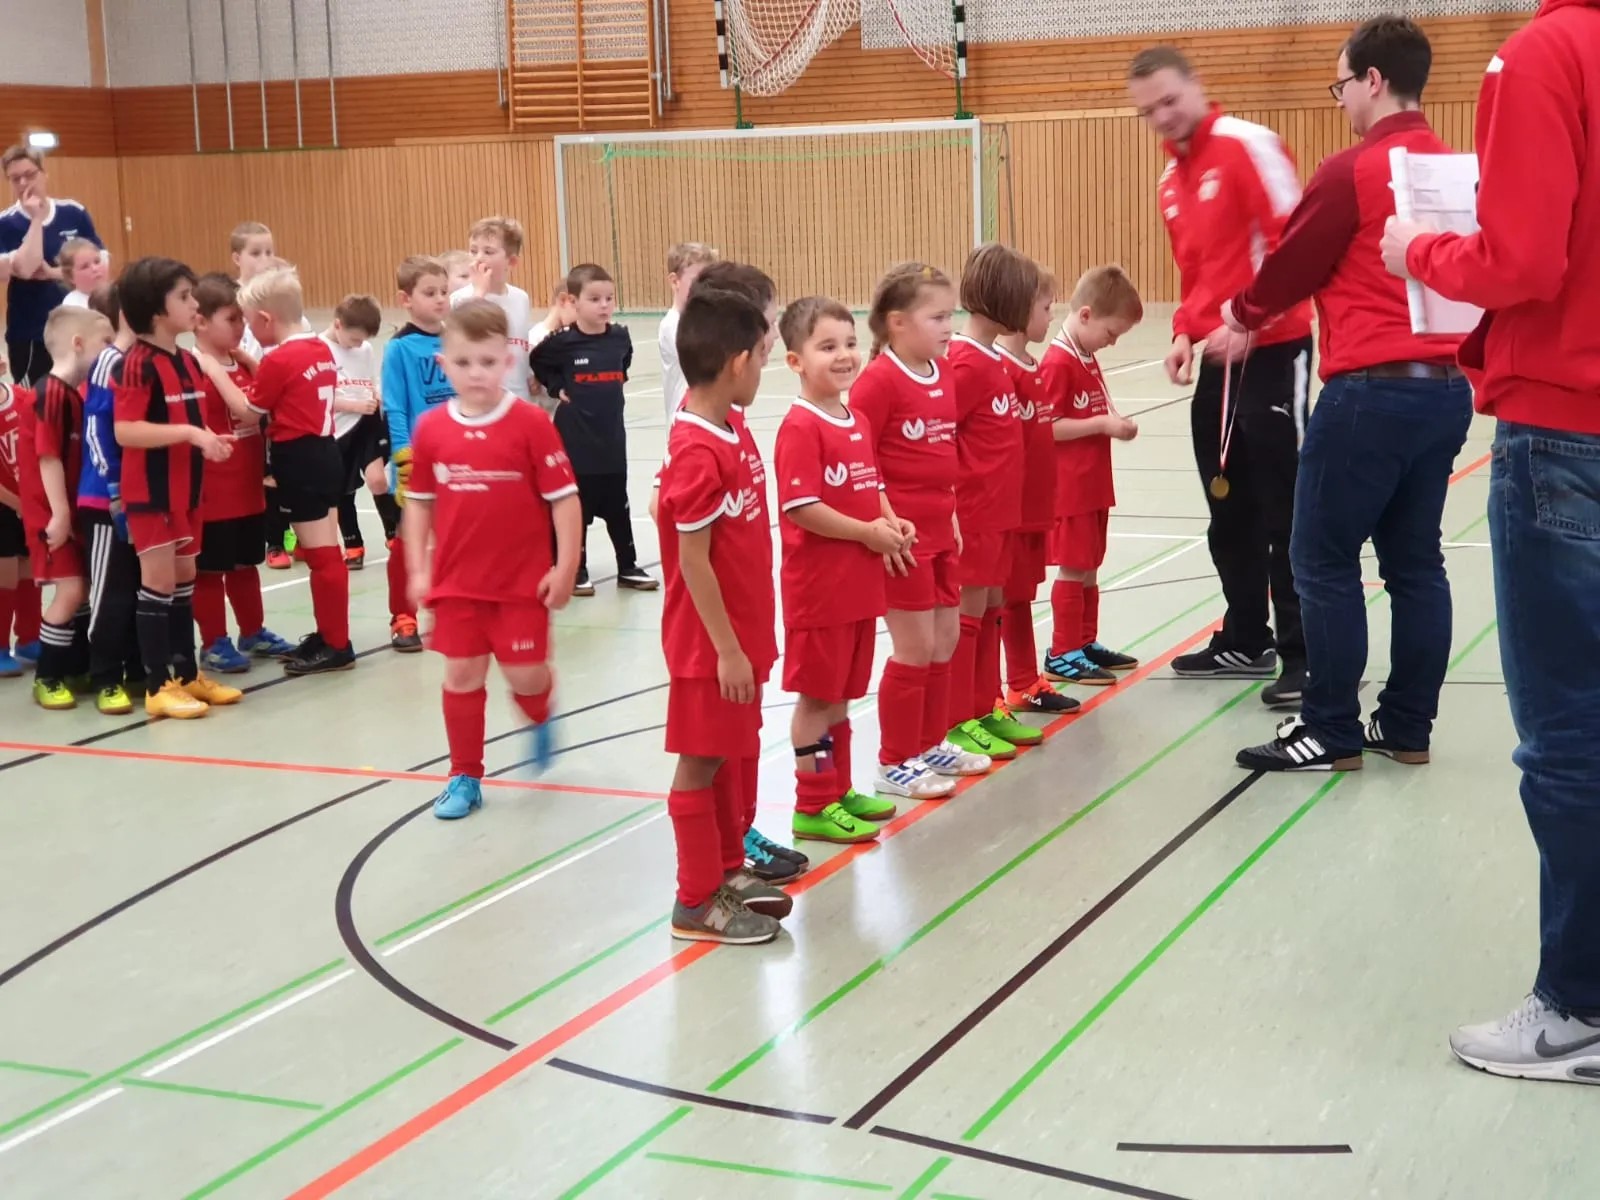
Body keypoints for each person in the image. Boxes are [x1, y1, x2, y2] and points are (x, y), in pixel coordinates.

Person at [1381, 0, 1600, 1082]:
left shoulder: (1544, 55)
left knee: (1569, 740)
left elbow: (1523, 261)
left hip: (1567, 433)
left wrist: (1416, 247)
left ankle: (1580, 1008)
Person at [1222, 17, 1467, 772]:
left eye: (1341, 86)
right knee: (1416, 564)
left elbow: (1290, 267)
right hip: (1445, 391)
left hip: (1369, 392)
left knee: (1321, 558)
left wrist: (1239, 313)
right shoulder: (1454, 167)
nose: (1342, 102)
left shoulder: (1351, 171)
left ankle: (1329, 728)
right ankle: (1407, 727)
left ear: (1373, 80)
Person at [1126, 47, 1311, 702]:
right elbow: (1197, 273)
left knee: (1286, 512)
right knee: (1227, 507)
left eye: (1169, 100)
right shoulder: (1169, 182)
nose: (1162, 117)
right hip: (1216, 359)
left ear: (1196, 86)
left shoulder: (1247, 145)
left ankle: (1305, 655)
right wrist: (1184, 329)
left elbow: (1298, 247)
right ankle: (1246, 637)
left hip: (1274, 350)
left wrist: (1254, 322)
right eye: (1148, 111)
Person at [402, 300, 582, 820]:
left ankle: (540, 710)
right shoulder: (431, 429)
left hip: (521, 586)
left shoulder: (530, 424)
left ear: (507, 360)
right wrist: (418, 570)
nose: (476, 373)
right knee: (461, 676)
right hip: (457, 584)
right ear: (444, 365)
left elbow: (564, 499)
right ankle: (464, 775)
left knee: (526, 677)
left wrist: (565, 567)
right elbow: (419, 504)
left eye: (487, 361)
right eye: (463, 363)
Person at [659, 277, 792, 944]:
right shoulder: (698, 449)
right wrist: (729, 651)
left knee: (724, 755)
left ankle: (727, 870)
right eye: (762, 358)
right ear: (738, 363)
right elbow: (694, 561)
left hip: (740, 633)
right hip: (710, 646)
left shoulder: (727, 425)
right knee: (701, 762)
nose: (764, 370)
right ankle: (694, 900)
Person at [774, 296, 909, 844]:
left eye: (850, 343)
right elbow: (801, 507)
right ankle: (812, 804)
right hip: (819, 593)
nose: (844, 355)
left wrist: (891, 522)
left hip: (858, 586)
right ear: (795, 361)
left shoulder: (856, 419)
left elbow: (870, 484)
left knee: (842, 696)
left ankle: (839, 788)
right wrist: (865, 534)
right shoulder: (800, 427)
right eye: (827, 346)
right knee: (816, 699)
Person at [848, 263, 972, 799]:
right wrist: (882, 519)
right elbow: (861, 456)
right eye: (937, 317)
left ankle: (930, 743)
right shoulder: (878, 382)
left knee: (945, 639)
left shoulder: (942, 372)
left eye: (950, 315)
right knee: (914, 646)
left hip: (942, 530)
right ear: (897, 323)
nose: (949, 326)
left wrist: (954, 514)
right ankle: (894, 759)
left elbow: (944, 451)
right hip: (903, 540)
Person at [113, 257, 239, 719]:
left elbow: (188, 420)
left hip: (188, 489)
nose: (194, 305)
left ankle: (186, 675)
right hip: (151, 493)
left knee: (185, 577)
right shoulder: (135, 364)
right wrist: (190, 434)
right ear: (154, 309)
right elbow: (126, 430)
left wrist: (209, 439)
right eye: (184, 297)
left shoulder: (187, 360)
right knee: (159, 582)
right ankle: (156, 685)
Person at [944, 243, 1042, 762]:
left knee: (992, 609)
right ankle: (958, 718)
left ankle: (985, 706)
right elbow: (943, 437)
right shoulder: (963, 363)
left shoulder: (993, 360)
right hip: (975, 513)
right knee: (969, 614)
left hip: (1002, 512)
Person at [238, 266, 354, 676]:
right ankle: (330, 635)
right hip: (325, 451)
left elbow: (248, 412)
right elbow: (288, 387)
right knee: (325, 551)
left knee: (322, 556)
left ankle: (337, 644)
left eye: (249, 322)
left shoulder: (278, 359)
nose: (248, 331)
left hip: (299, 458)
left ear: (265, 319)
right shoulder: (319, 348)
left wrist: (213, 370)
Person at [1041, 266, 1145, 686]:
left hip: (1093, 484)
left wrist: (1114, 422)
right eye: (1111, 333)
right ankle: (1062, 651)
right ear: (1085, 315)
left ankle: (1084, 641)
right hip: (1070, 489)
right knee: (1073, 567)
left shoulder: (1085, 356)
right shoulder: (1057, 362)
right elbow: (1048, 427)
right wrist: (1102, 425)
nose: (1112, 342)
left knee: (1089, 566)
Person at [186, 273, 294, 673]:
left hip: (248, 486)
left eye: (241, 318)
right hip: (213, 491)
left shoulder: (245, 364)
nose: (240, 326)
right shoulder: (193, 369)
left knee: (246, 565)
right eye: (231, 319)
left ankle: (253, 631)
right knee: (210, 571)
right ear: (200, 322)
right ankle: (214, 641)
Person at [531, 263, 658, 595]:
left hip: (611, 439)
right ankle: (577, 568)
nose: (604, 305)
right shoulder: (562, 342)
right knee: (578, 507)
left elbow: (625, 359)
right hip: (576, 440)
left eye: (609, 298)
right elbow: (538, 361)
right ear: (573, 302)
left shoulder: (619, 337)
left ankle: (627, 566)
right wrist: (556, 386)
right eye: (595, 299)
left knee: (618, 505)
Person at [995, 270, 1081, 716]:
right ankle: (1000, 689)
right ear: (1018, 308)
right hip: (1007, 509)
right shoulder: (999, 368)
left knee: (1020, 596)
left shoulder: (1031, 365)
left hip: (1033, 506)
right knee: (999, 601)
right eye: (1045, 308)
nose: (1051, 316)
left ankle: (1024, 682)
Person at [18, 306, 112, 709]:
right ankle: (48, 676)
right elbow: (48, 457)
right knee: (71, 590)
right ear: (78, 344)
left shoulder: (72, 394)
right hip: (50, 514)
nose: (110, 351)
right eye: (105, 343)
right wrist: (59, 514)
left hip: (70, 511)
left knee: (83, 589)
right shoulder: (50, 394)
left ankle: (75, 667)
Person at [77, 285, 154, 712]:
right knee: (112, 593)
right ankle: (105, 675)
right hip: (106, 501)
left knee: (145, 588)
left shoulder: (148, 361)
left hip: (145, 497)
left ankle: (140, 669)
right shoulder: (110, 361)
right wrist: (115, 490)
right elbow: (96, 430)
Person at [383, 255, 456, 653]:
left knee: (454, 537)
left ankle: (451, 608)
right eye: (430, 293)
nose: (440, 299)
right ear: (406, 299)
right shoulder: (399, 348)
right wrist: (403, 456)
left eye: (444, 291)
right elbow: (395, 407)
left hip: (457, 458)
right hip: (418, 460)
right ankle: (403, 615)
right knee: (407, 539)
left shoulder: (456, 339)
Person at [1, 146, 105, 387]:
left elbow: (102, 266)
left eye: (30, 174)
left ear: (44, 173)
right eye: (15, 179)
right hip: (31, 333)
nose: (24, 183)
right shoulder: (5, 223)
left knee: (80, 396)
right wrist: (36, 219)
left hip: (79, 328)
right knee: (37, 399)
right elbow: (26, 269)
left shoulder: (73, 212)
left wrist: (53, 273)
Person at [230, 221, 292, 567]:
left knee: (282, 467)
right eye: (256, 253)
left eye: (269, 251)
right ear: (237, 258)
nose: (265, 259)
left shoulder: (279, 298)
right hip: (249, 393)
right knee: (260, 469)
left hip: (280, 392)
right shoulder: (233, 302)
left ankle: (289, 532)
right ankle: (272, 540)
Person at [321, 295, 396, 571]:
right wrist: (351, 405)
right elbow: (317, 396)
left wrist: (376, 395)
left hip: (366, 422)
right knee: (344, 490)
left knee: (378, 480)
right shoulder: (319, 349)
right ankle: (353, 543)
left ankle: (393, 534)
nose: (358, 344)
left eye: (362, 340)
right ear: (337, 325)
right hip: (338, 428)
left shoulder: (364, 349)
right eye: (354, 339)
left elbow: (367, 381)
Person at [451, 217, 534, 405]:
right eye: (473, 251)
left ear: (511, 261)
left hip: (518, 396)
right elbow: (464, 341)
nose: (478, 258)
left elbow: (520, 345)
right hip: (480, 399)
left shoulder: (521, 298)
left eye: (488, 252)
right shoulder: (460, 299)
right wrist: (479, 293)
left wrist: (530, 374)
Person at [658, 241, 719, 422]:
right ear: (674, 281)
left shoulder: (708, 321)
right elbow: (706, 361)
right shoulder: (672, 325)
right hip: (685, 422)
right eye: (697, 280)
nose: (705, 287)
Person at [58, 238, 107, 309]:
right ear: (71, 277)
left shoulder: (116, 294)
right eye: (85, 267)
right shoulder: (73, 306)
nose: (95, 269)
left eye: (97, 262)